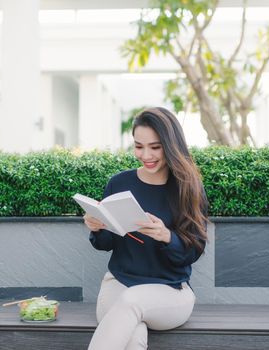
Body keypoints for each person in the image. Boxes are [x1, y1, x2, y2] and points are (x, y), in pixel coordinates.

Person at [83, 107, 209, 350]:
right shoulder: (119, 183)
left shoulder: (188, 188)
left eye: (155, 146)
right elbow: (106, 244)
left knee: (131, 301)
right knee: (134, 335)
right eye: (139, 146)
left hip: (171, 292)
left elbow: (193, 252)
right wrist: (98, 226)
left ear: (171, 145)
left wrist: (167, 237)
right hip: (118, 285)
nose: (146, 154)